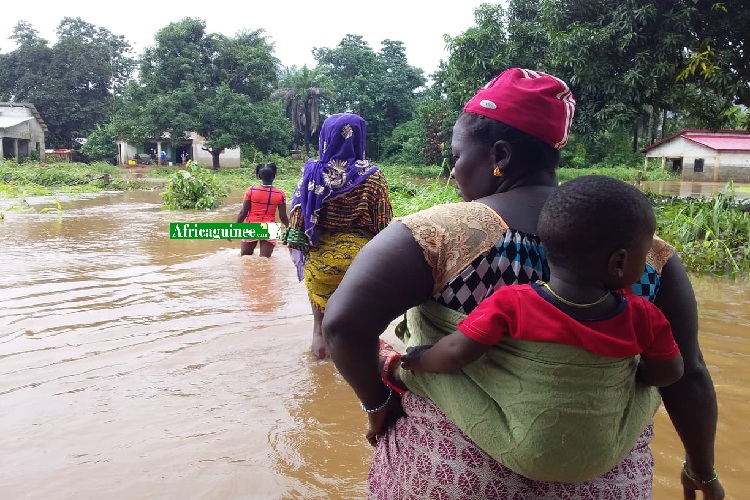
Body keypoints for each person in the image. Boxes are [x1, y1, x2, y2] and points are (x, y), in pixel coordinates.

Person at [323, 68, 724, 498]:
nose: (453, 172)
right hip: (607, 482)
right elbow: (687, 373)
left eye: (457, 156)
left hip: (453, 474)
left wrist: (377, 404)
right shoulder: (642, 252)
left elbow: (343, 325)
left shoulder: (438, 235)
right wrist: (702, 469)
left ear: (499, 155)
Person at [398, 174, 684, 481]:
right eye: (643, 257)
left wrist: (420, 359)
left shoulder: (512, 303)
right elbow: (672, 372)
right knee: (650, 388)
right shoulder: (645, 317)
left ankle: (396, 369)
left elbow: (455, 353)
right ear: (620, 262)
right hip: (603, 455)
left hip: (523, 448)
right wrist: (636, 377)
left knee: (435, 376)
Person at [281, 113, 393, 359]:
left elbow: (297, 225)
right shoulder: (374, 176)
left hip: (321, 265)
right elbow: (384, 227)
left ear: (325, 137)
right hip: (361, 266)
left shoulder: (311, 173)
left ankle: (320, 366)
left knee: (320, 332)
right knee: (362, 333)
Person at [236, 163, 289, 257]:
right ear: (274, 176)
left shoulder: (251, 191)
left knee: (245, 257)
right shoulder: (280, 194)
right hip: (270, 227)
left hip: (252, 226)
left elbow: (243, 213)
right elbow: (283, 217)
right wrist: (290, 228)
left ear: (259, 176)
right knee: (265, 260)